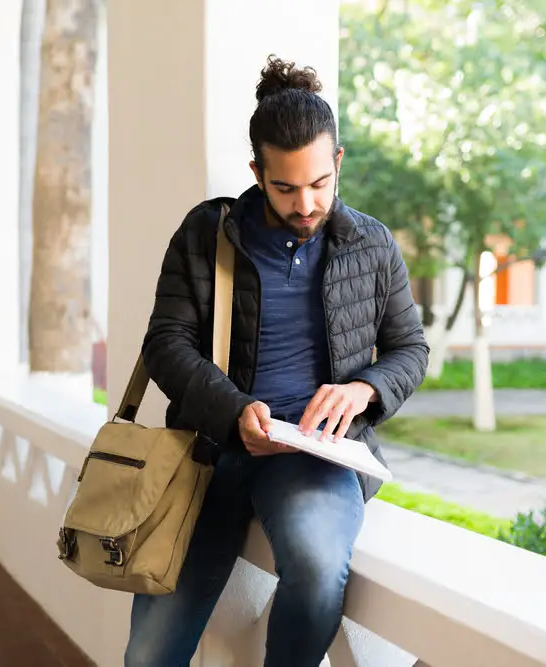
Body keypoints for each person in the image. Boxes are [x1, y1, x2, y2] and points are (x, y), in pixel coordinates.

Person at [124, 55, 429, 667]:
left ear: (337, 162)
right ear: (257, 172)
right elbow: (165, 342)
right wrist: (235, 413)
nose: (306, 203)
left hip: (312, 459)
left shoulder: (370, 244)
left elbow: (410, 350)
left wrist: (363, 390)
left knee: (319, 574)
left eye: (319, 183)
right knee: (150, 655)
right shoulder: (207, 234)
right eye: (286, 187)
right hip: (207, 453)